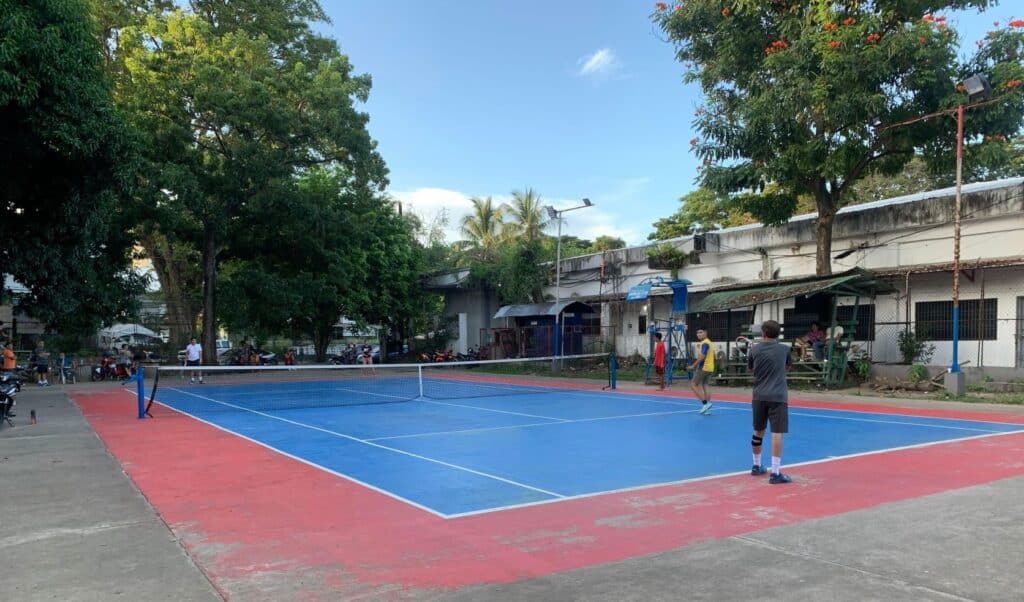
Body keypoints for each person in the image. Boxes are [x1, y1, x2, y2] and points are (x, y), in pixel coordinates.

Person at [747, 320, 793, 484]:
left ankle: (756, 465)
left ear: (763, 333)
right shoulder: (784, 349)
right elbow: (787, 368)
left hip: (759, 396)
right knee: (776, 433)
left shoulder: (754, 349)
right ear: (777, 334)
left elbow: (751, 369)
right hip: (778, 396)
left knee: (758, 431)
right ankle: (775, 473)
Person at [687, 328, 715, 415]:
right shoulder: (709, 342)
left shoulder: (705, 343)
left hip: (704, 367)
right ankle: (707, 409)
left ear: (705, 333)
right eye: (697, 332)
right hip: (710, 367)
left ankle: (705, 404)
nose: (698, 334)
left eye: (701, 332)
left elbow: (702, 356)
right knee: (705, 385)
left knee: (693, 384)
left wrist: (693, 365)